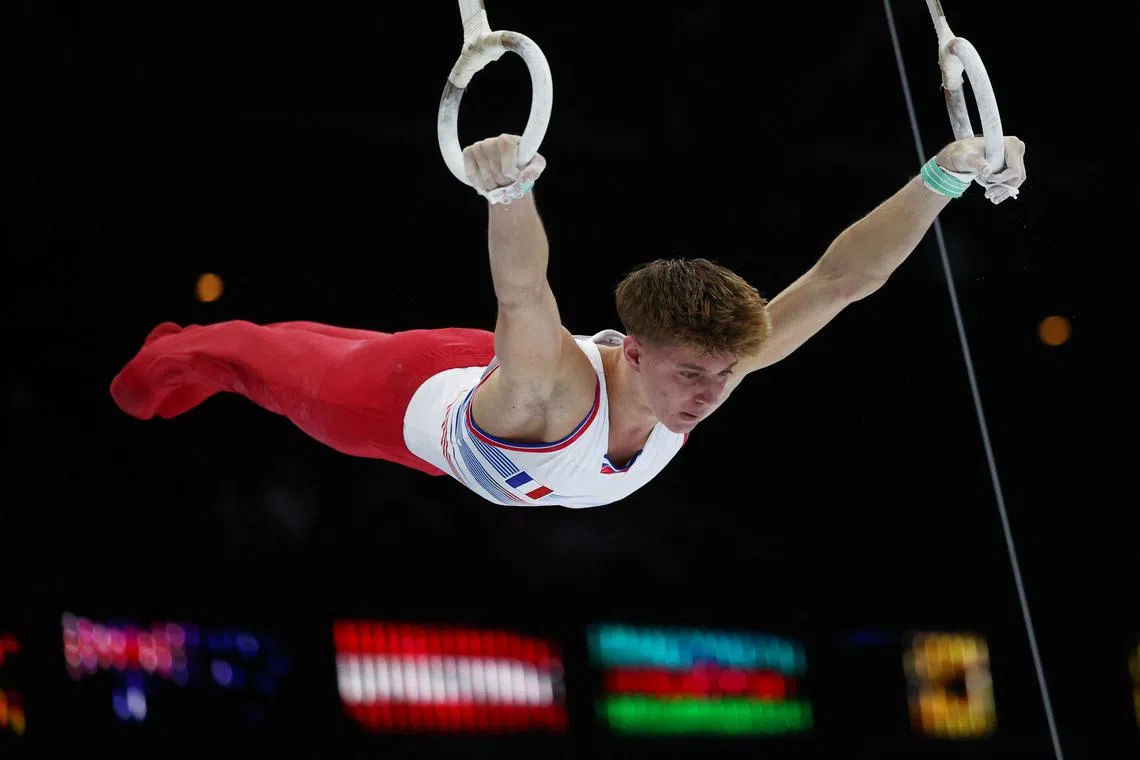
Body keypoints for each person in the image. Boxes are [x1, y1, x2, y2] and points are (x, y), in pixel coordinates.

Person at [110, 133, 1027, 508]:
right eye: (691, 376)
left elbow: (838, 281)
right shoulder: (552, 384)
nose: (712, 395)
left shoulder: (716, 364)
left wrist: (944, 176)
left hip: (499, 378)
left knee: (269, 350)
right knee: (242, 357)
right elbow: (523, 297)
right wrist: (508, 190)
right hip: (401, 404)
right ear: (634, 351)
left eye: (721, 374)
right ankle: (164, 357)